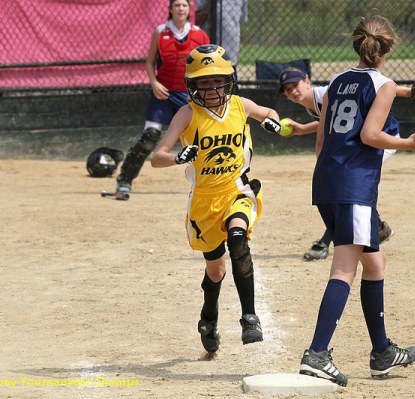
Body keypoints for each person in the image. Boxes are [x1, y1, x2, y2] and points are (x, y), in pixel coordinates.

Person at [297, 16, 415, 387]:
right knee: (343, 269)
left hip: (326, 180)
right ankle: (317, 353)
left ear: (357, 46)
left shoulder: (337, 81)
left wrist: (330, 176)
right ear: (387, 49)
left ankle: (382, 352)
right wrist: (408, 144)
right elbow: (371, 135)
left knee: (376, 262)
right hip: (354, 187)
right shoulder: (383, 84)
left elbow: (322, 138)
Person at [151, 44, 283, 353]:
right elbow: (157, 157)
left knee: (238, 238)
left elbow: (268, 113)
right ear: (192, 84)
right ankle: (208, 317)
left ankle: (249, 318)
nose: (212, 87)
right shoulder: (187, 113)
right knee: (216, 270)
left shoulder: (239, 104)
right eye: (204, 81)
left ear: (229, 79)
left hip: (238, 189)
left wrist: (272, 120)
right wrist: (179, 157)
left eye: (217, 80)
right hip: (204, 202)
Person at [278, 67, 415, 260]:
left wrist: (412, 92)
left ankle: (324, 242)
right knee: (349, 188)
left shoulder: (322, 93)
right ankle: (377, 227)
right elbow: (334, 120)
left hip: (383, 138)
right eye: (287, 90)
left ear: (307, 81)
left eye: (296, 85)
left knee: (348, 188)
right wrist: (302, 129)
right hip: (364, 141)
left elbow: (384, 87)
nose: (293, 91)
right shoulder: (312, 104)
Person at [116, 0, 210, 197]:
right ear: (170, 9)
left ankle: (209, 182)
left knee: (202, 139)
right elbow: (150, 62)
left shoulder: (199, 34)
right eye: (177, 5)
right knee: (149, 137)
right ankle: (125, 179)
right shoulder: (161, 32)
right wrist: (154, 82)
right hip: (164, 94)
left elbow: (207, 67)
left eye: (184, 5)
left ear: (190, 9)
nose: (181, 9)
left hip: (188, 95)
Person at [195, 0, 247, 76]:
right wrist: (211, 4)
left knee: (229, 81)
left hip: (230, 50)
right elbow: (195, 20)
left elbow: (241, 20)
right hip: (207, 51)